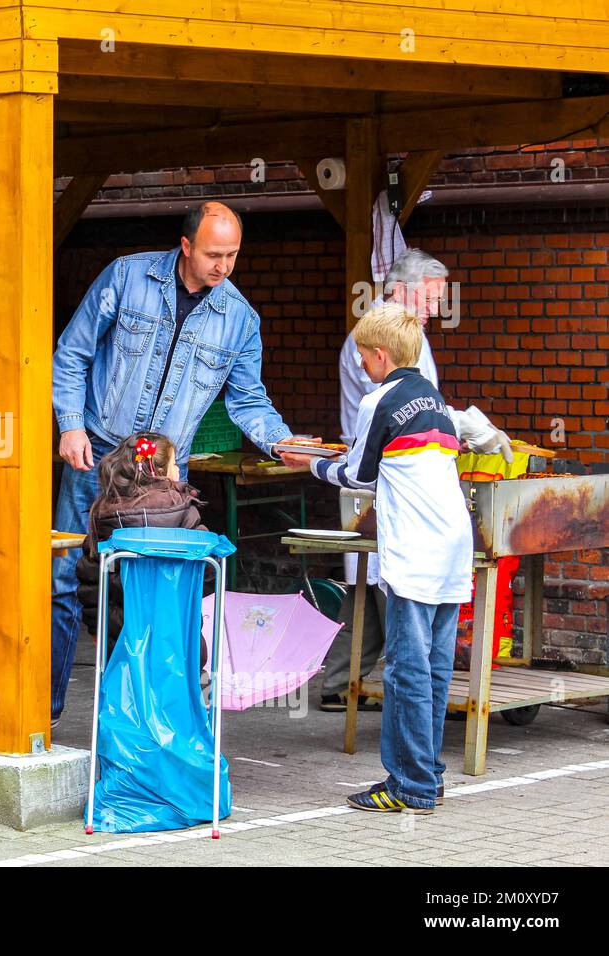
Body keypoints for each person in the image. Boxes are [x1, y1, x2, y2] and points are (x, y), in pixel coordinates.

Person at [50, 200, 305, 722]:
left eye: (233, 255)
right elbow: (72, 352)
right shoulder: (126, 277)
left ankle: (142, 716)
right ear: (185, 245)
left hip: (167, 472)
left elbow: (248, 400)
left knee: (156, 590)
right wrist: (70, 424)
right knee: (62, 577)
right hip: (97, 453)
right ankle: (44, 713)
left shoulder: (239, 319)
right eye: (214, 254)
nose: (224, 267)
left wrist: (281, 442)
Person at [281, 304, 473, 813]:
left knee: (405, 669)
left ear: (381, 355)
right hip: (454, 545)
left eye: (363, 356)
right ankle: (427, 774)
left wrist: (311, 464)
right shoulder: (434, 399)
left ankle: (409, 786)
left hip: (415, 549)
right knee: (433, 668)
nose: (361, 365)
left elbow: (358, 475)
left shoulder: (379, 400)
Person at [322, 248, 511, 712]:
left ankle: (343, 683)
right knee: (389, 585)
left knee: (373, 583)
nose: (435, 309)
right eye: (430, 298)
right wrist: (461, 426)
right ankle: (397, 691)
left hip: (394, 473)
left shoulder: (408, 335)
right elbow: (403, 412)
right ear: (403, 290)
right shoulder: (379, 340)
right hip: (382, 476)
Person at [75, 433, 208, 654]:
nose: (177, 470)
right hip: (178, 634)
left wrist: (95, 628)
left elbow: (91, 580)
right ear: (161, 473)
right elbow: (207, 571)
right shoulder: (183, 511)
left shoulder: (104, 515)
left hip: (120, 636)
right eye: (174, 464)